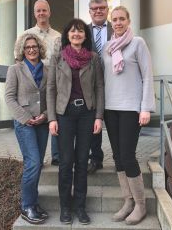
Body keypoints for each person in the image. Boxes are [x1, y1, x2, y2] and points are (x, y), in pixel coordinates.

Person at [47, 18, 104, 225]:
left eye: (80, 31)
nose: (77, 34)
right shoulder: (57, 58)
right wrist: (52, 118)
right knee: (66, 162)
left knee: (81, 162)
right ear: (67, 35)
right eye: (73, 31)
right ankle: (65, 207)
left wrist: (98, 116)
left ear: (85, 35)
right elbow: (51, 90)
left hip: (87, 114)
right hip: (64, 114)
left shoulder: (94, 58)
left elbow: (99, 88)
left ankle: (80, 207)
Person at [102, 6, 155, 225]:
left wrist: (145, 108)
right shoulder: (106, 47)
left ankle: (141, 205)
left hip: (131, 109)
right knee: (116, 157)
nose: (118, 22)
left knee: (128, 156)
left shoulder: (138, 43)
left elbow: (148, 76)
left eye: (122, 19)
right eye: (114, 19)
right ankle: (128, 201)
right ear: (110, 22)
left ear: (128, 20)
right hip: (110, 109)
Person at [5, 33, 49, 225]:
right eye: (27, 47)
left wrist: (45, 115)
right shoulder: (15, 69)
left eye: (34, 46)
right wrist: (25, 118)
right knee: (33, 162)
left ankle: (34, 201)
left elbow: (51, 97)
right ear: (22, 50)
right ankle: (26, 205)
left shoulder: (47, 70)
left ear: (40, 48)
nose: (31, 49)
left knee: (37, 164)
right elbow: (9, 97)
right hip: (24, 123)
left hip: (42, 123)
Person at [23, 0, 61, 166]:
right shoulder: (26, 35)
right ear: (34, 13)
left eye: (44, 10)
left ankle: (57, 156)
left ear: (49, 12)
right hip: (33, 83)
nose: (41, 13)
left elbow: (61, 61)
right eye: (38, 11)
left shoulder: (58, 37)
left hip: (53, 82)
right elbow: (19, 58)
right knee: (35, 118)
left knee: (53, 115)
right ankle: (36, 158)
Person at [87, 0, 113, 174]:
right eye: (95, 8)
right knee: (92, 124)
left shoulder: (117, 28)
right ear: (89, 11)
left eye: (102, 8)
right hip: (91, 85)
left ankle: (120, 157)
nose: (98, 11)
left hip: (114, 83)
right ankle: (96, 158)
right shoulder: (82, 31)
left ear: (107, 9)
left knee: (113, 122)